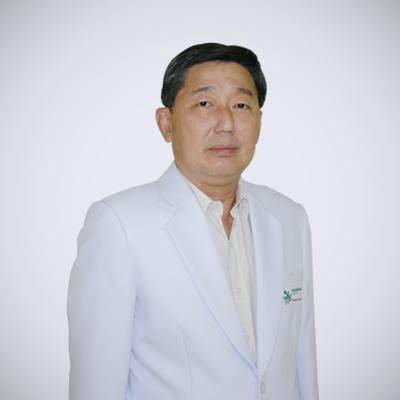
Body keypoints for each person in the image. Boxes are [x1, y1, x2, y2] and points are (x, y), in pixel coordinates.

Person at [67, 43, 319, 400]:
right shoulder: (119, 225)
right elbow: (96, 386)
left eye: (241, 105)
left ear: (259, 121)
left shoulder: (289, 217)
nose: (226, 124)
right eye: (204, 104)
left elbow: (301, 364)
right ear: (166, 123)